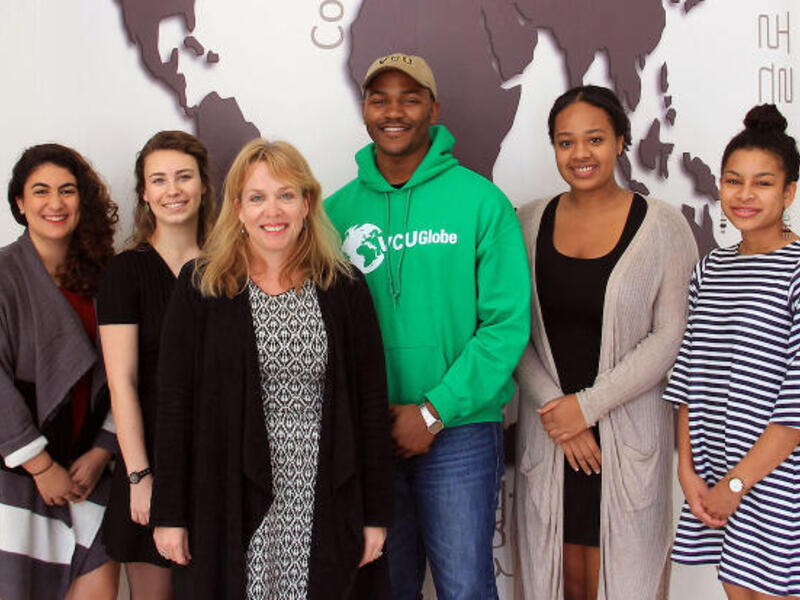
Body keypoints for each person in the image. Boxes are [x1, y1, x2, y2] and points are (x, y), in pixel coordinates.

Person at [150, 138, 394, 599]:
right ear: (237, 208)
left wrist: (376, 514)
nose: (272, 211)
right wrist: (170, 514)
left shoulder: (343, 287)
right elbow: (174, 405)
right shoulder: (201, 287)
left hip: (322, 489)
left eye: (285, 195)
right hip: (226, 489)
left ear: (307, 203)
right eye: (257, 197)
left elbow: (369, 404)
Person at [325, 52, 531, 599]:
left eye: (410, 98)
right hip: (370, 435)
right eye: (380, 98)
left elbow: (506, 326)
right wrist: (367, 416)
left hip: (459, 430)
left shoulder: (482, 202)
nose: (394, 111)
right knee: (386, 588)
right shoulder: (333, 213)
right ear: (365, 109)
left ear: (433, 109)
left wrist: (433, 411)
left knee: (464, 588)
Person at [513, 85, 698, 600]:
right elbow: (510, 330)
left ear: (620, 141)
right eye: (565, 142)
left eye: (594, 139)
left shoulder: (663, 226)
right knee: (564, 580)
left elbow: (670, 338)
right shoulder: (526, 222)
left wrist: (587, 408)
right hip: (551, 442)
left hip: (627, 443)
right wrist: (560, 413)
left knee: (625, 582)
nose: (580, 155)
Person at [664, 104, 800, 599]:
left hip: (779, 488)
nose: (744, 195)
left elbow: (795, 405)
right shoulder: (711, 270)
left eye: (763, 183)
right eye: (733, 181)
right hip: (717, 474)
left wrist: (736, 486)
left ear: (788, 192)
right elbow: (689, 375)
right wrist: (688, 471)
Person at [98, 131, 215, 599]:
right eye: (159, 180)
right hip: (149, 461)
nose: (173, 190)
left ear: (205, 185)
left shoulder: (231, 267)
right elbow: (122, 383)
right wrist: (140, 477)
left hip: (218, 459)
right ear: (144, 193)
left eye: (184, 177)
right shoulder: (125, 272)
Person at [0, 143, 120, 599]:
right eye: (41, 191)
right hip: (18, 477)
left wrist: (103, 450)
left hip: (88, 475)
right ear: (19, 203)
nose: (55, 203)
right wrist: (40, 464)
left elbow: (129, 376)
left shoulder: (106, 276)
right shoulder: (4, 274)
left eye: (67, 191)